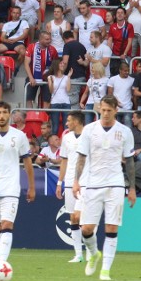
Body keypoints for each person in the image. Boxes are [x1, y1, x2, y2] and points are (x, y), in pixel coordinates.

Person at [73, 95, 135, 281]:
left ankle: (105, 270)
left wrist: (132, 188)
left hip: (115, 183)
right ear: (99, 108)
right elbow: (82, 157)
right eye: (103, 109)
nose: (106, 113)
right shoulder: (89, 130)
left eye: (110, 110)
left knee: (111, 227)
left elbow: (130, 161)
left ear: (116, 110)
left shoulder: (124, 132)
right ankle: (94, 253)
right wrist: (76, 181)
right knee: (86, 229)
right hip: (93, 184)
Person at [0, 101, 34, 264]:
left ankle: (2, 263)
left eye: (5, 112)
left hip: (11, 187)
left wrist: (31, 186)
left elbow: (27, 162)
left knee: (7, 224)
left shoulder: (19, 136)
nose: (2, 116)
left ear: (9, 115)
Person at [56, 111, 88, 263]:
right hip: (69, 182)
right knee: (73, 218)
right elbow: (64, 161)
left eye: (69, 121)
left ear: (76, 121)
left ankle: (89, 251)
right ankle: (78, 254)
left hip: (86, 182)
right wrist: (59, 182)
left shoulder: (89, 136)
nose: (66, 124)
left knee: (82, 217)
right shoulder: (67, 137)